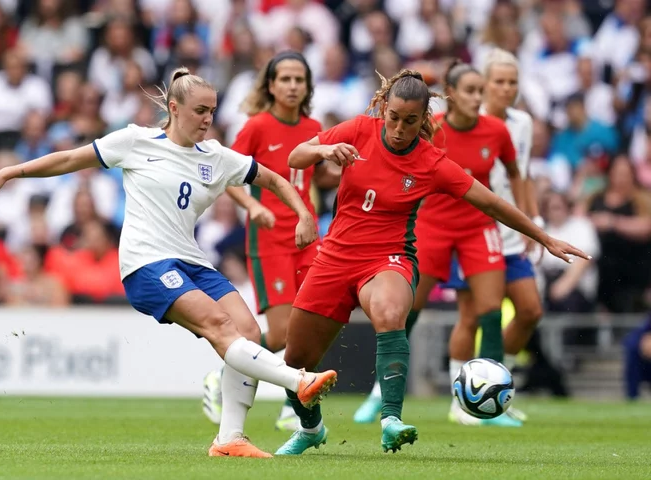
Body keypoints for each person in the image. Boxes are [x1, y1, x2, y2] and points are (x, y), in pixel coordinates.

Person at [0, 67, 338, 459]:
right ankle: (298, 380)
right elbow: (69, 159)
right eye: (200, 110)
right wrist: (11, 171)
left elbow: (275, 179)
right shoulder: (136, 141)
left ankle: (230, 438)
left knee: (249, 332)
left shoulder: (215, 157)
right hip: (146, 263)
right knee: (220, 326)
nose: (207, 119)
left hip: (192, 261)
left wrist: (304, 214)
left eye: (212, 111)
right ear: (174, 107)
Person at [275, 68, 589, 456]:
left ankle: (391, 418)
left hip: (388, 258)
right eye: (393, 118)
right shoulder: (357, 130)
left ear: (424, 119)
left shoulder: (431, 161)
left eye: (410, 121)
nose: (400, 128)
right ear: (383, 108)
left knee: (391, 312)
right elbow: (295, 155)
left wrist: (543, 236)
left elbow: (489, 201)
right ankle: (310, 429)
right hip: (335, 256)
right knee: (296, 360)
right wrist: (323, 150)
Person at [354, 50, 542, 427]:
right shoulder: (430, 128)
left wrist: (529, 217)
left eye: (479, 90)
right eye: (470, 91)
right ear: (452, 93)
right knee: (409, 310)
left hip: (479, 227)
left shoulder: (499, 130)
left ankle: (480, 404)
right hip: (433, 225)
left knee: (488, 312)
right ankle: (380, 392)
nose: (477, 98)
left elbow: (516, 173)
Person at [202, 51, 340, 431]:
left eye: (300, 80)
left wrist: (340, 170)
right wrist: (252, 206)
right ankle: (228, 369)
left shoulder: (314, 126)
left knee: (311, 324)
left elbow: (313, 178)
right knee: (280, 331)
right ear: (271, 85)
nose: (293, 86)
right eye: (286, 79)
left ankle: (291, 402)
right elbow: (225, 175)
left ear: (308, 86)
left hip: (307, 237)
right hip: (268, 240)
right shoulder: (257, 127)